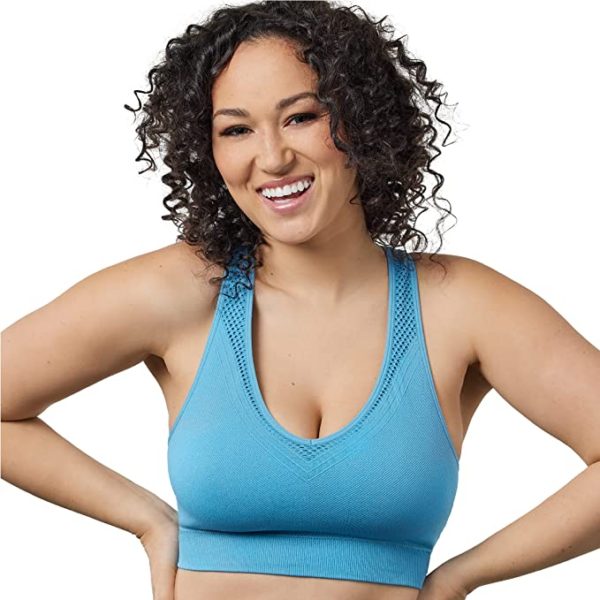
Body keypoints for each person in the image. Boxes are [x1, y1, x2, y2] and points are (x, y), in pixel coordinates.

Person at [2, 2, 599, 599]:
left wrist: (458, 580)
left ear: (364, 121)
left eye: (302, 117)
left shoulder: (461, 305)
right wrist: (149, 521)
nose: (272, 158)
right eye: (236, 129)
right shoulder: (183, 289)